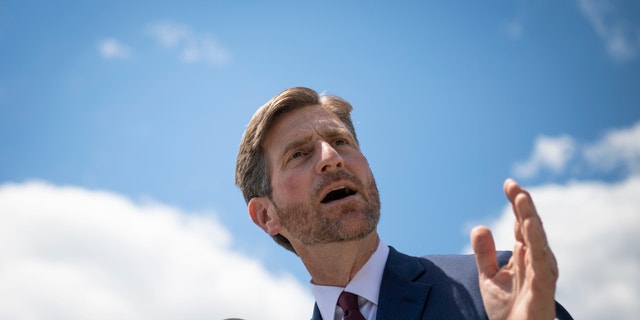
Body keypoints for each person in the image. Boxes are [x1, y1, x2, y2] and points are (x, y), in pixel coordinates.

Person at [235, 87, 573, 320]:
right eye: (299, 153)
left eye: (341, 141)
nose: (332, 158)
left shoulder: (491, 286)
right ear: (266, 215)